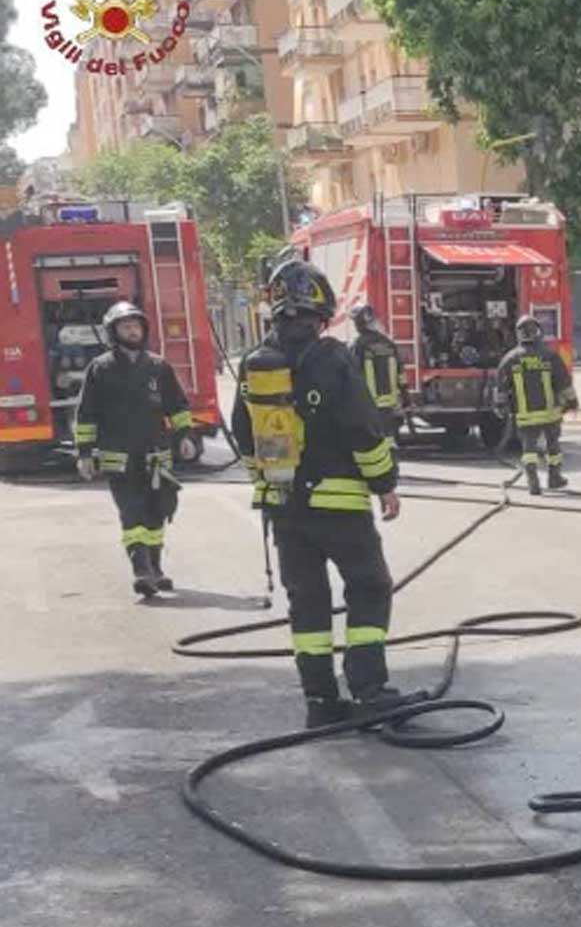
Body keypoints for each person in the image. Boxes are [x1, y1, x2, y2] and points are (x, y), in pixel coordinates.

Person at [232, 260, 406, 728]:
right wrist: (385, 484)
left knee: (307, 601)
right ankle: (369, 691)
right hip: (341, 508)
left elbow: (242, 435)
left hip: (284, 508)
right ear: (322, 310)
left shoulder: (255, 363)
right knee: (369, 587)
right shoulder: (331, 358)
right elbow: (363, 428)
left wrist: (267, 483)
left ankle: (321, 703)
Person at [73, 300, 193, 597]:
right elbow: (86, 413)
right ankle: (141, 570)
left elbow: (177, 405)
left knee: (158, 511)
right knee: (132, 512)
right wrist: (85, 453)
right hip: (119, 458)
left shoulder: (157, 366)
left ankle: (155, 568)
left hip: (157, 456)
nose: (132, 330)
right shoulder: (100, 369)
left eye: (136, 325)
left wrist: (185, 436)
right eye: (126, 326)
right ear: (114, 332)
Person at [495, 313, 578, 494]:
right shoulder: (550, 356)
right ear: (538, 332)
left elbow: (501, 387)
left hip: (525, 415)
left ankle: (533, 483)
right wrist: (572, 402)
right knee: (553, 447)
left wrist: (501, 407)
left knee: (529, 449)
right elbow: (564, 382)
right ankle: (554, 478)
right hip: (550, 414)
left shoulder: (509, 359)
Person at [350, 304, 404, 436]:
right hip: (389, 406)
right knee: (389, 440)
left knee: (374, 443)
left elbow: (352, 373)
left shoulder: (359, 345)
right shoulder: (388, 343)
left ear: (359, 323)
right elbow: (401, 373)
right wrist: (406, 398)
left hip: (369, 404)